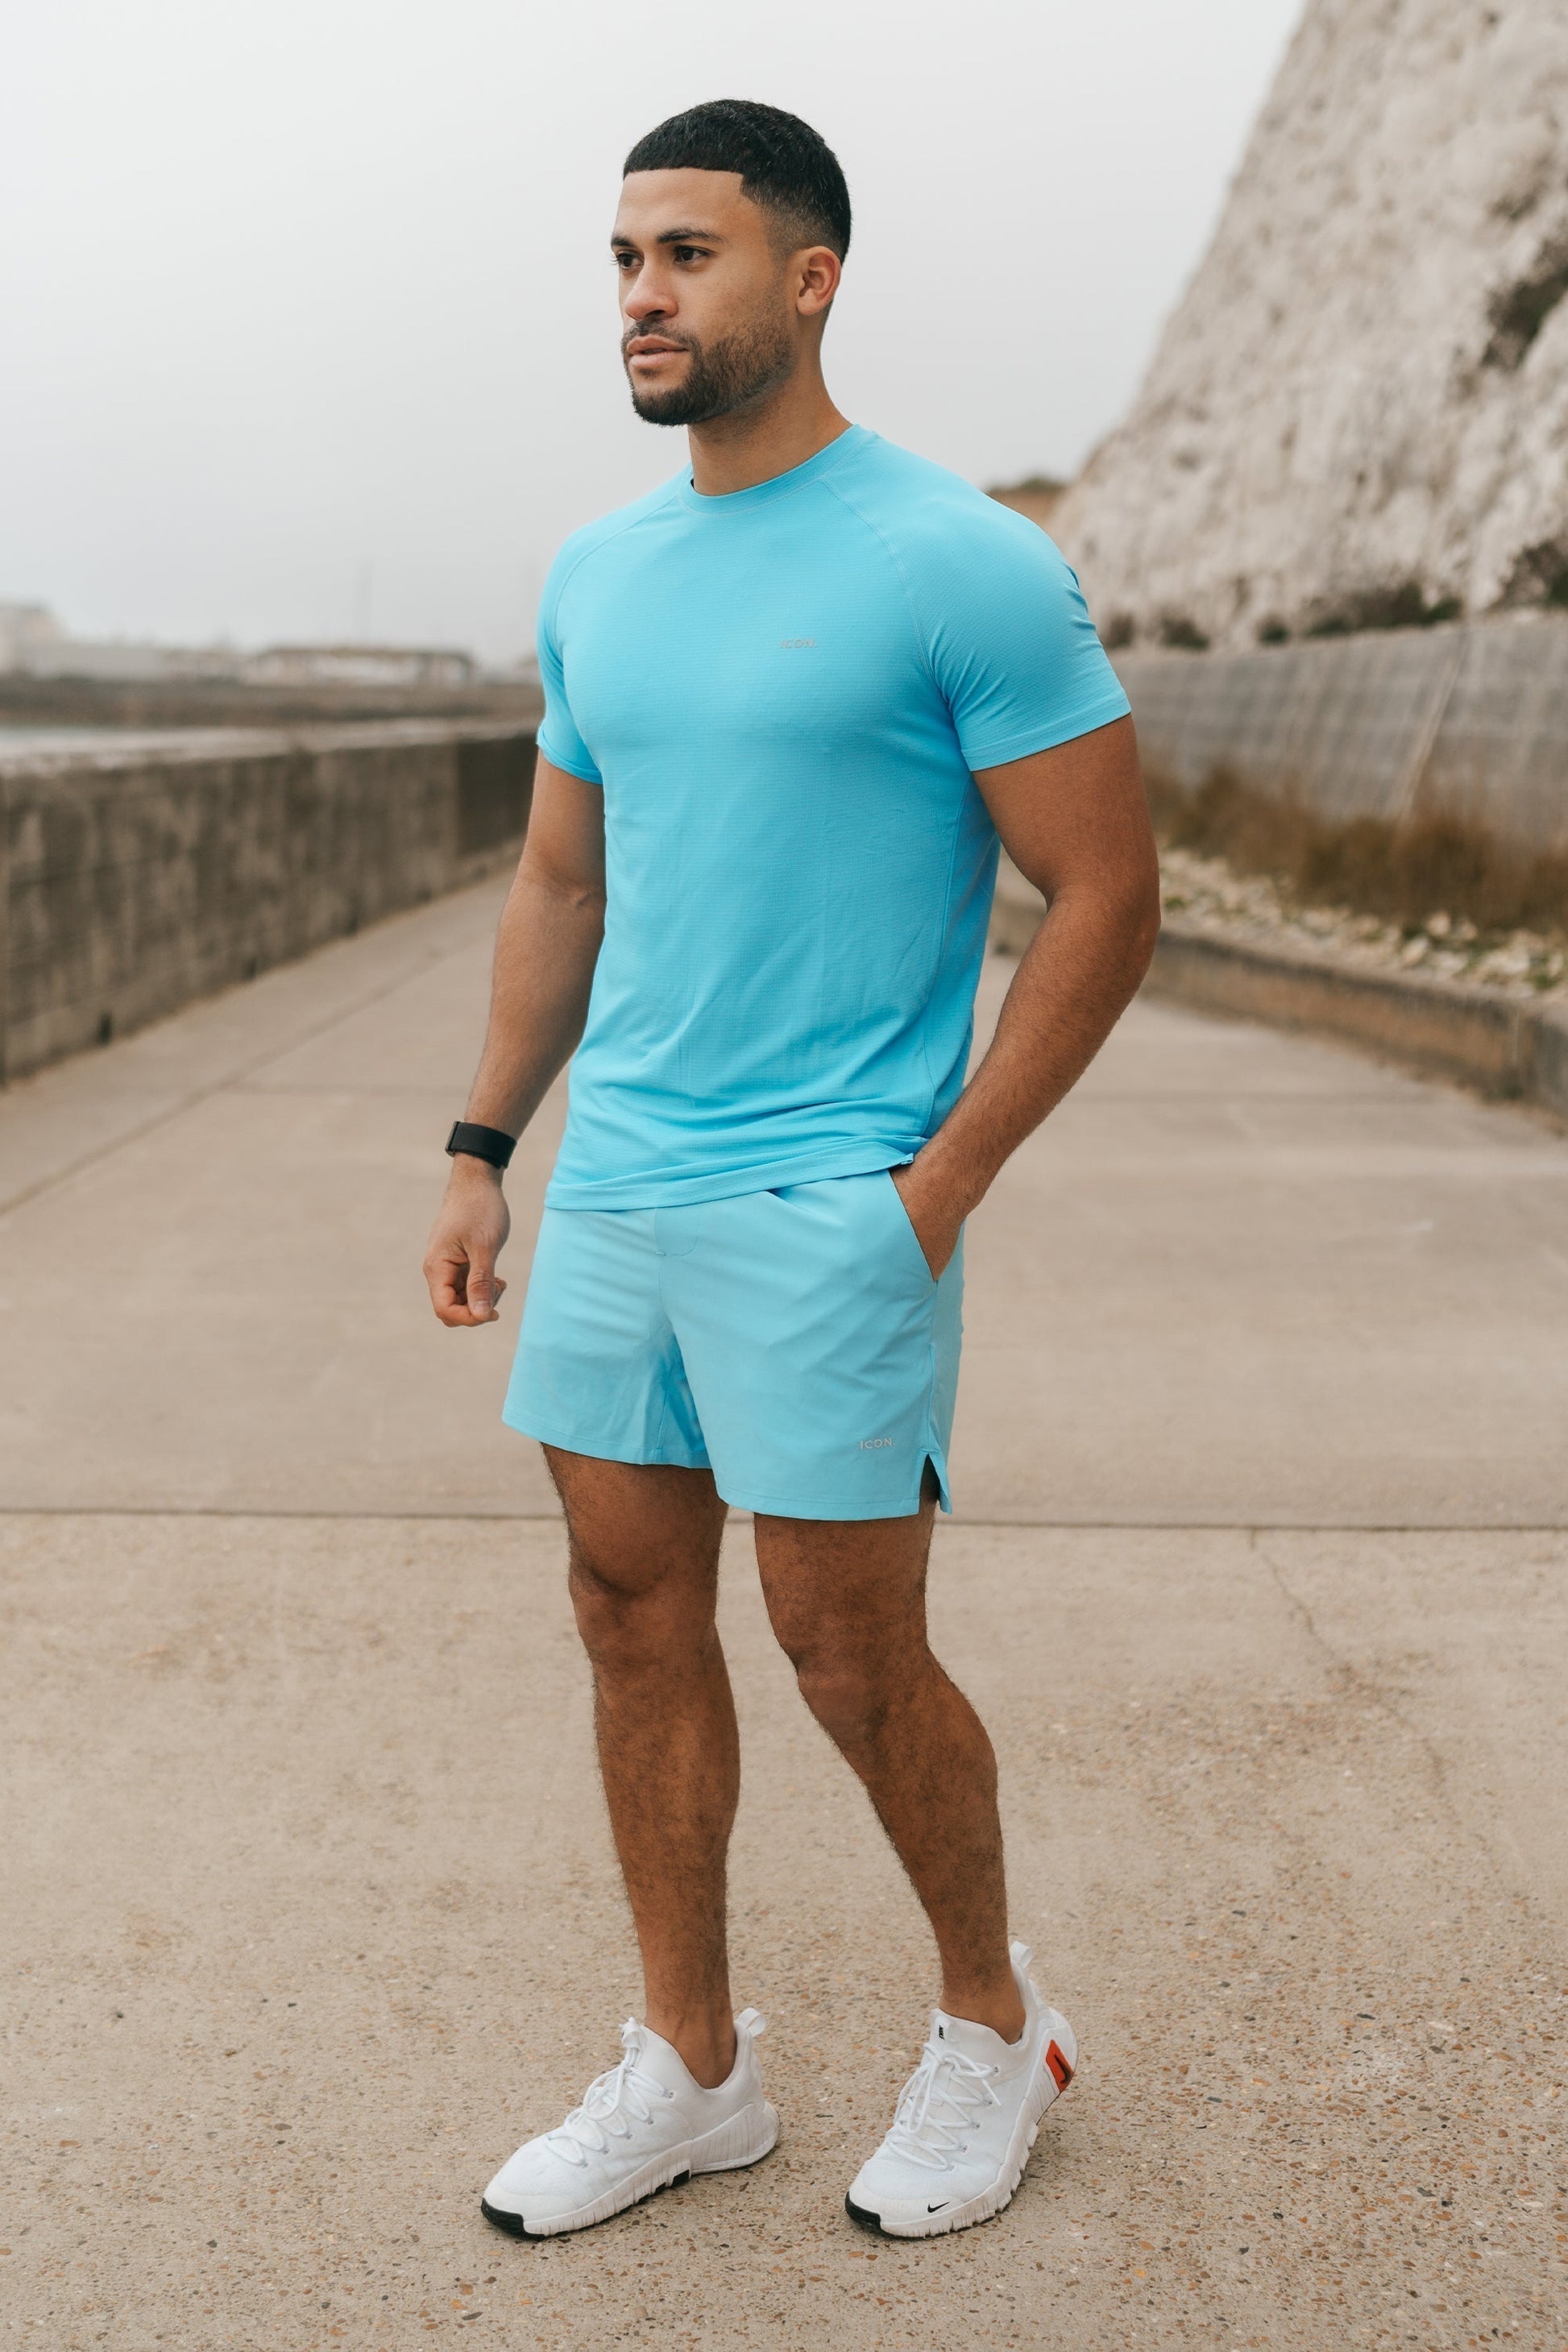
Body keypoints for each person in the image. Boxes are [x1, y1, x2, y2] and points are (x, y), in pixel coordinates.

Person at [423, 97, 1159, 2242]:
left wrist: (937, 1190)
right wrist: (482, 1148)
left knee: (846, 1652)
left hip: (834, 1195)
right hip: (621, 1190)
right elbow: (561, 885)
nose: (642, 296)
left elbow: (1106, 894)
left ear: (810, 279)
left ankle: (991, 2026)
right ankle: (692, 2066)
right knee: (624, 1611)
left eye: (689, 254)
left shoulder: (956, 558)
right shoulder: (599, 573)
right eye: (623, 259)